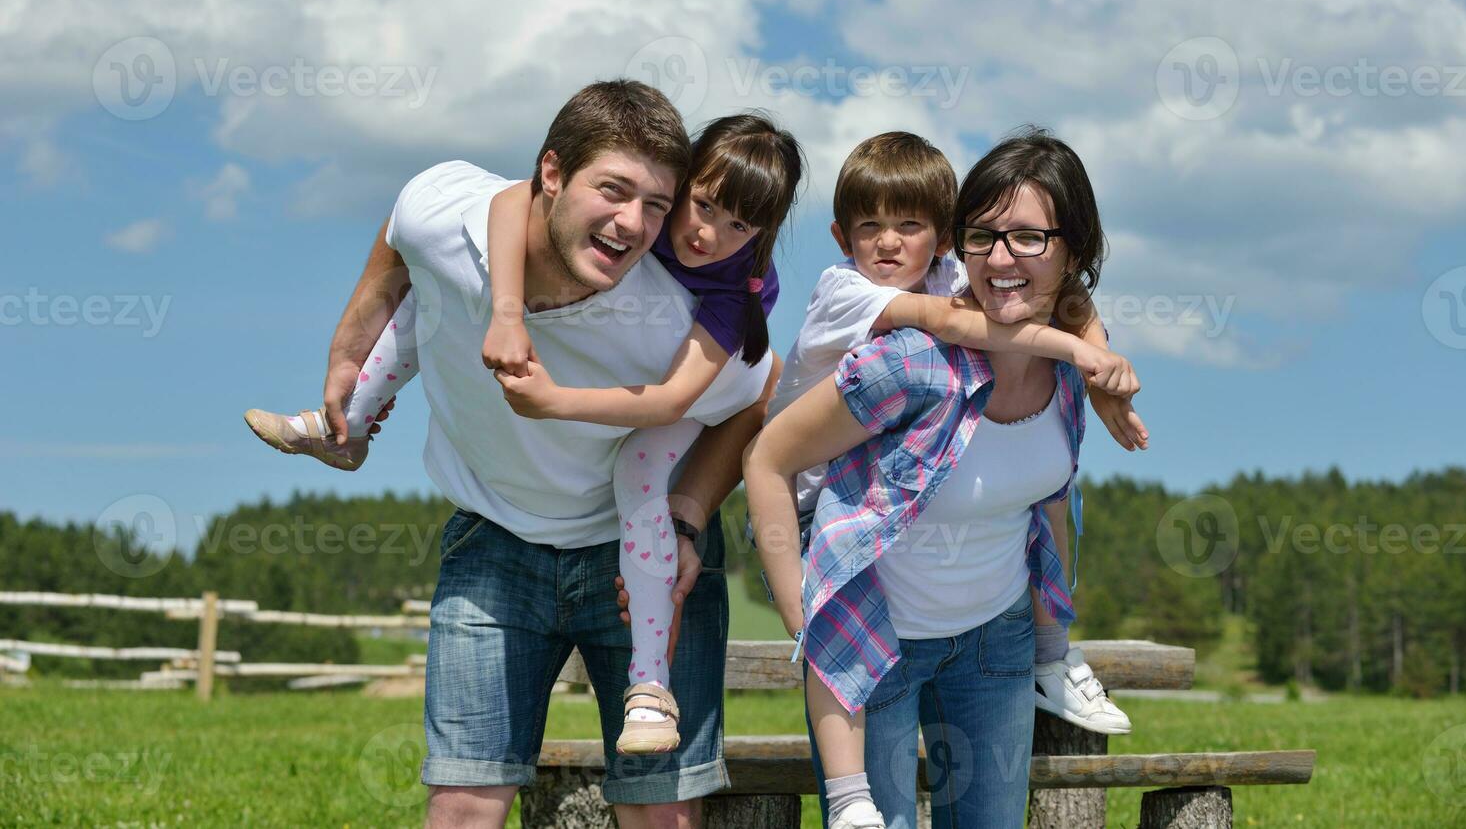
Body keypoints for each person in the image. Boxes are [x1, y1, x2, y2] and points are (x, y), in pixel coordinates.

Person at [259, 80, 777, 828]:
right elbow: (403, 227)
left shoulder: (676, 320)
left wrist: (688, 519)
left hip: (635, 561)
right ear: (552, 173)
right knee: (464, 800)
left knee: (659, 813)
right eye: (613, 190)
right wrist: (351, 344)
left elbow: (753, 402)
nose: (632, 223)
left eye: (657, 205)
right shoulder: (455, 222)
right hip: (491, 543)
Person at [746, 127, 1138, 828]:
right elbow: (769, 458)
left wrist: (1096, 366)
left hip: (996, 639)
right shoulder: (904, 354)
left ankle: (1055, 659)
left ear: (1070, 249)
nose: (1000, 256)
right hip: (877, 638)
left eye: (1027, 238)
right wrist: (798, 616)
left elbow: (1048, 499)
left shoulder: (1066, 374)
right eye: (983, 236)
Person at [479, 112, 802, 753]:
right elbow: (511, 199)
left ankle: (650, 685)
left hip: (697, 396)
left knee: (639, 471)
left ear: (762, 234)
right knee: (429, 295)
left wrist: (555, 401)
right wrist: (507, 314)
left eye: (739, 225)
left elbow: (674, 398)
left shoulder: (736, 291)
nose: (708, 234)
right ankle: (345, 408)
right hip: (649, 381)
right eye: (701, 205)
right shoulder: (641, 221)